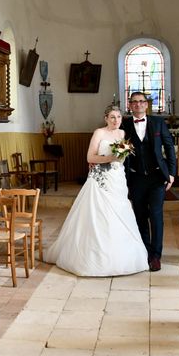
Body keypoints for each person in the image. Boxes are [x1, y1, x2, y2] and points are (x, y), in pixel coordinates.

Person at [46, 105, 149, 277]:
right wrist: (111, 158)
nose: (116, 120)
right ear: (106, 118)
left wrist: (120, 159)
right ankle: (91, 258)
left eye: (118, 117)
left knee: (119, 213)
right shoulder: (99, 133)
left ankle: (121, 258)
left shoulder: (123, 134)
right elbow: (90, 157)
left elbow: (123, 159)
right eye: (112, 117)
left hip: (117, 179)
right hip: (100, 180)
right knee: (98, 215)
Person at [122, 92, 176, 272]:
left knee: (156, 215)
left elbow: (169, 147)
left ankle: (156, 256)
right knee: (140, 216)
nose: (138, 105)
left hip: (156, 177)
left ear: (147, 105)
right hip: (135, 177)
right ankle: (145, 251)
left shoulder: (158, 123)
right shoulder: (124, 124)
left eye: (141, 102)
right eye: (134, 102)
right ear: (130, 105)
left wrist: (172, 173)